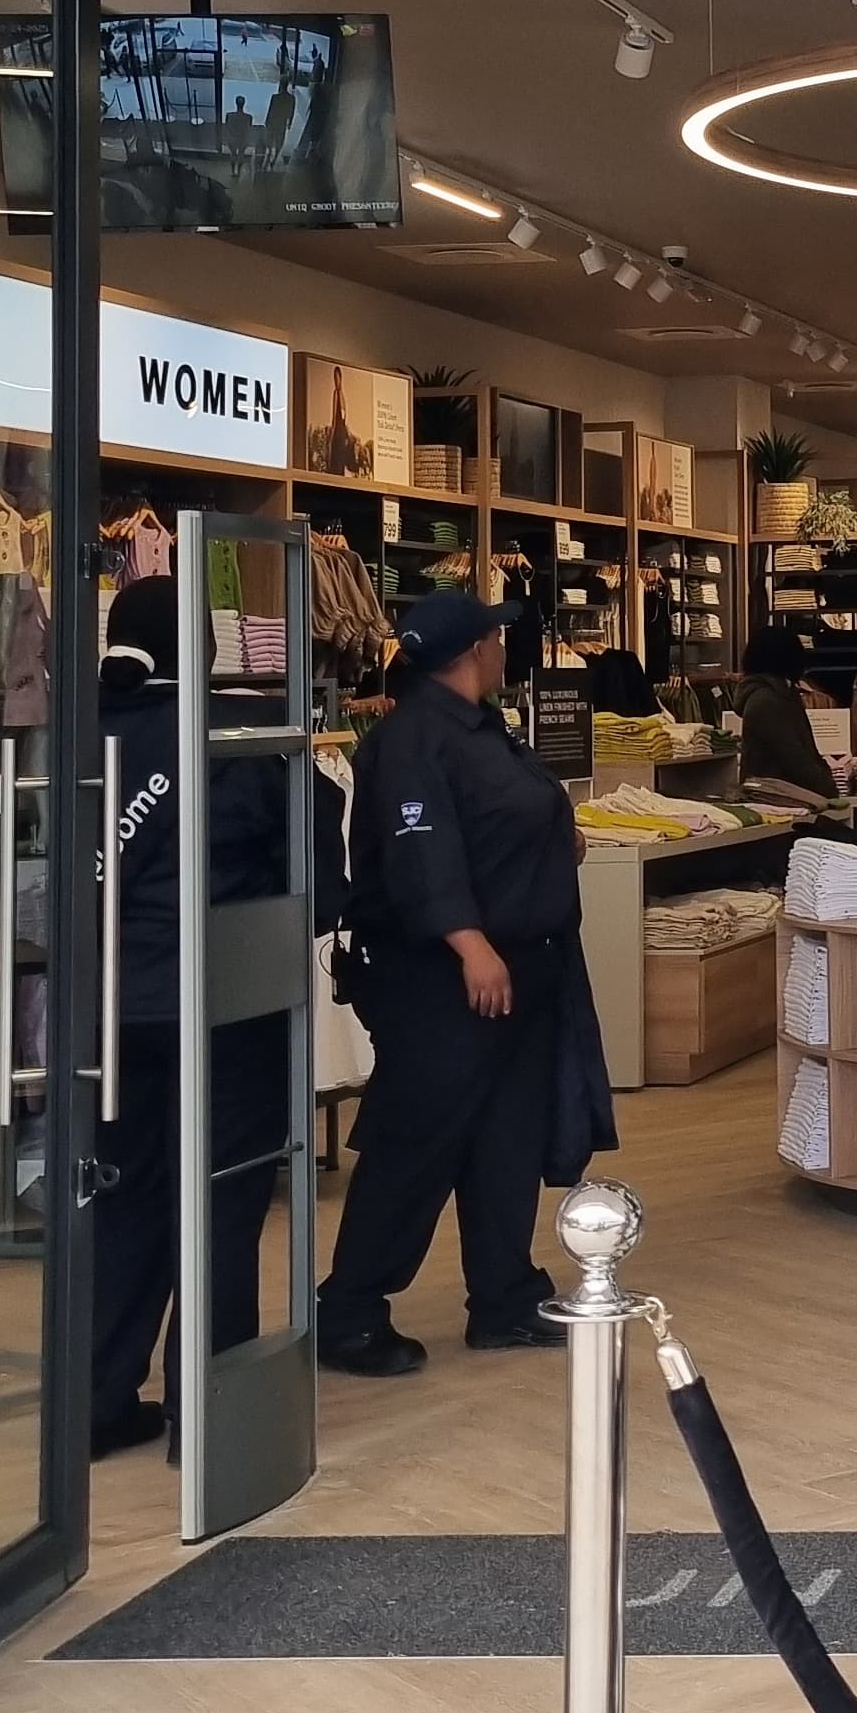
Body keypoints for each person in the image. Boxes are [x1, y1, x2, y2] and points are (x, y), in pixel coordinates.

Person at [89, 575, 346, 1456]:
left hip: (104, 1016)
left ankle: (97, 1401)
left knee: (120, 1201)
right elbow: (319, 880)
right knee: (219, 1201)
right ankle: (204, 1413)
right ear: (203, 646)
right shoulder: (240, 734)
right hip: (220, 1010)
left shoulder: (76, 731)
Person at [318, 588, 590, 1376]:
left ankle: (505, 1296)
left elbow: (494, 823)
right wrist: (471, 945)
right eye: (497, 638)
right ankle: (350, 1312)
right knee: (417, 1140)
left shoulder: (480, 727)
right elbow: (421, 855)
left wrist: (557, 840)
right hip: (445, 981)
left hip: (521, 969)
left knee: (505, 1137)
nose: (505, 647)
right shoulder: (412, 739)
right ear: (476, 651)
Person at [734, 622, 842, 802]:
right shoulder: (768, 700)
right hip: (778, 796)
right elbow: (792, 755)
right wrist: (825, 787)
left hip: (787, 794)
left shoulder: (783, 694)